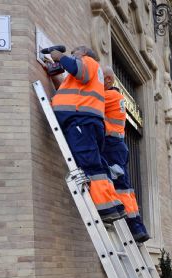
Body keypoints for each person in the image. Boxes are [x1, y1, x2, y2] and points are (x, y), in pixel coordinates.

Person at [46, 46, 125, 223]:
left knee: (90, 165)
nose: (73, 58)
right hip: (85, 121)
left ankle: (105, 209)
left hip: (80, 120)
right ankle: (114, 205)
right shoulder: (90, 75)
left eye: (75, 55)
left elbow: (78, 69)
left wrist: (60, 56)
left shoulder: (88, 62)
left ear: (83, 55)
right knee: (97, 164)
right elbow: (74, 87)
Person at [100, 66, 150, 242]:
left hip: (112, 147)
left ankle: (133, 226)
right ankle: (136, 227)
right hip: (117, 146)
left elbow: (87, 102)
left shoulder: (109, 96)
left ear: (107, 80)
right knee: (124, 188)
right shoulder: (116, 96)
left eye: (99, 77)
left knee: (120, 187)